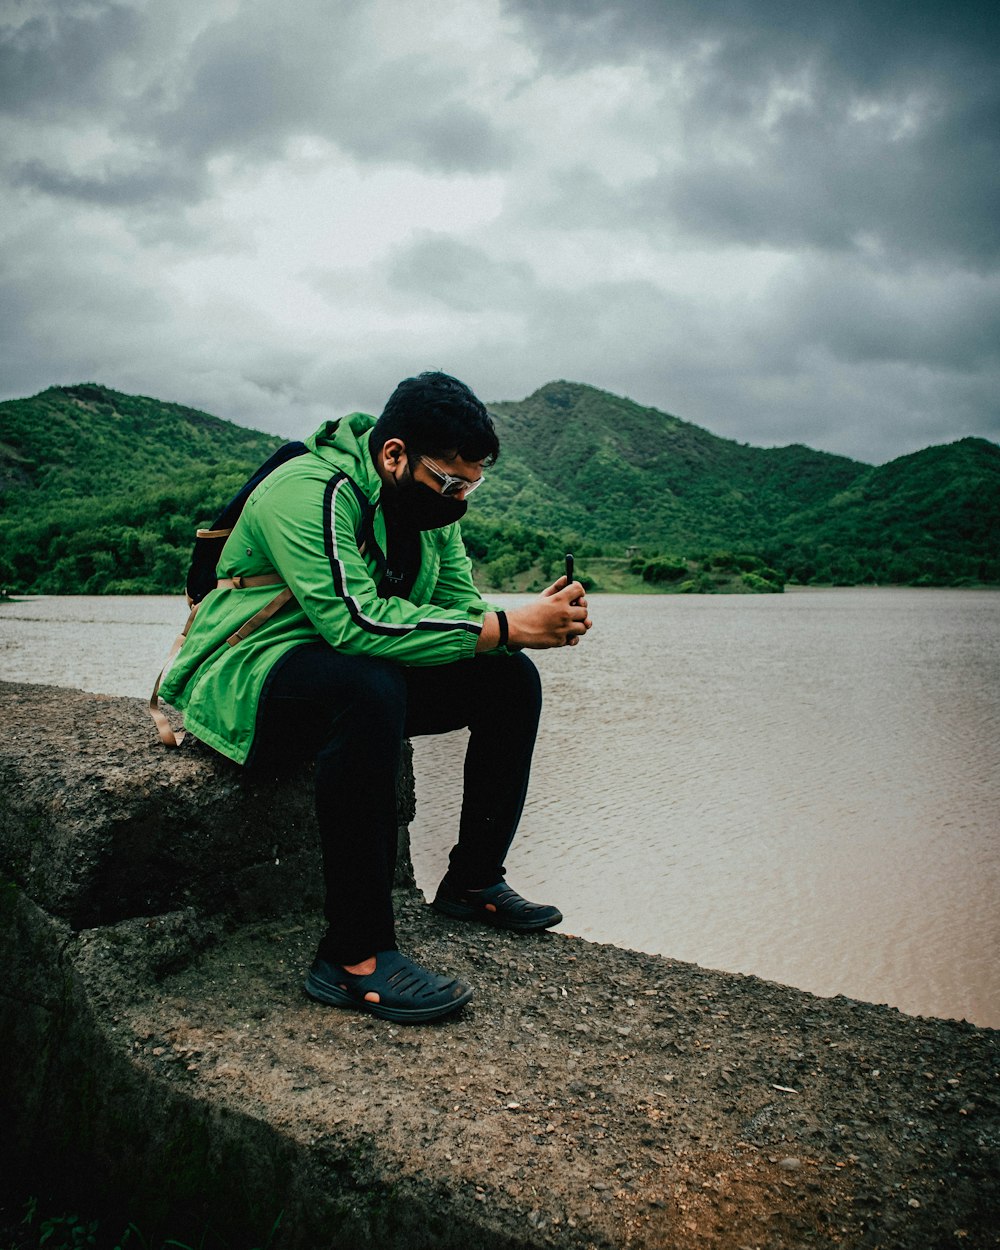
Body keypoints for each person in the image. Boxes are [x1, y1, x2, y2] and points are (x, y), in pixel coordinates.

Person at [158, 371, 591, 1024]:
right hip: (246, 678)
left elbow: (455, 608)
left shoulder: (428, 514)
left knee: (508, 677)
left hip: (335, 675)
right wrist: (508, 622)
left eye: (472, 485)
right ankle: (352, 956)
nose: (460, 499)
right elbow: (352, 621)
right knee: (369, 684)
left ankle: (474, 882)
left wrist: (523, 627)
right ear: (394, 456)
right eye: (450, 482)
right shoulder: (309, 492)